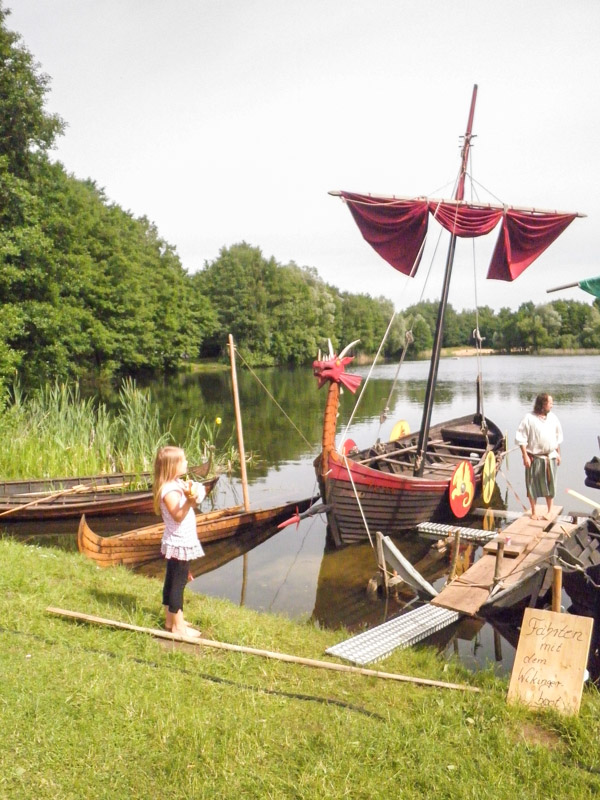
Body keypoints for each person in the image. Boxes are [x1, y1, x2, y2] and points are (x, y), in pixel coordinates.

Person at [153, 446, 206, 637]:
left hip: (177, 541)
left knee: (172, 579)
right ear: (172, 466)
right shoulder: (169, 490)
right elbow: (177, 515)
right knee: (179, 582)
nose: (186, 462)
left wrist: (191, 492)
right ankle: (178, 627)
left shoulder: (174, 484)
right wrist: (190, 502)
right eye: (183, 460)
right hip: (180, 542)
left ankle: (171, 619)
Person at [515, 393, 563, 520]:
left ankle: (549, 511)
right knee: (532, 485)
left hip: (550, 456)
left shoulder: (553, 418)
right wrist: (525, 456)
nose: (552, 405)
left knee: (550, 484)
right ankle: (534, 512)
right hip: (534, 457)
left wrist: (559, 454)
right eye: (550, 403)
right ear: (542, 404)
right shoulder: (529, 418)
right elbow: (521, 439)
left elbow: (558, 438)